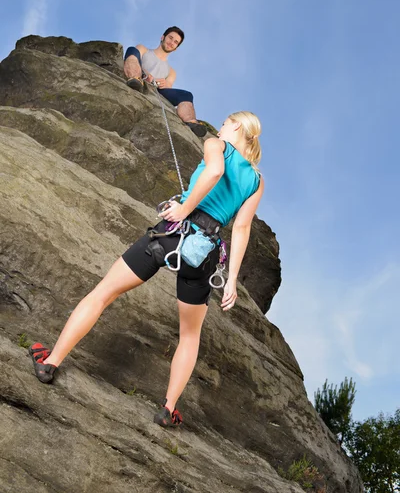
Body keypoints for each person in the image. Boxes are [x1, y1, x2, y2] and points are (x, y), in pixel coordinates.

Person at [29, 111, 264, 427]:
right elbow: (242, 228)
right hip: (204, 252)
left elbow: (214, 172)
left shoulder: (217, 145)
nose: (220, 127)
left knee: (103, 293)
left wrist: (184, 208)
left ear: (235, 126)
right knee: (190, 334)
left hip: (172, 234)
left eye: (225, 122)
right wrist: (232, 280)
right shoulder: (257, 180)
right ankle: (168, 409)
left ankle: (51, 362)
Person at [124, 26, 207, 138]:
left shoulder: (171, 71)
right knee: (131, 50)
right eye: (170, 38)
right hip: (140, 79)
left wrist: (160, 83)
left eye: (175, 42)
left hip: (156, 90)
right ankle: (135, 78)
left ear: (176, 48)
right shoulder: (143, 49)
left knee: (186, 95)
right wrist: (145, 74)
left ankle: (191, 122)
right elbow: (132, 57)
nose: (171, 42)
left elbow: (167, 87)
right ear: (163, 37)